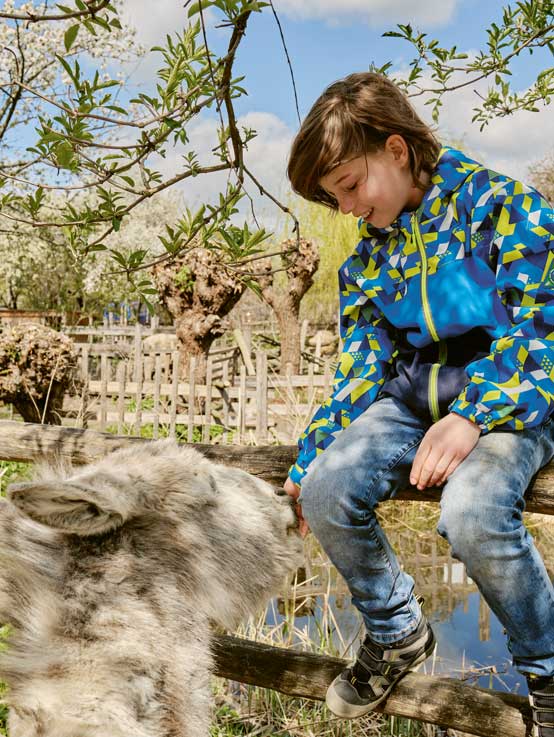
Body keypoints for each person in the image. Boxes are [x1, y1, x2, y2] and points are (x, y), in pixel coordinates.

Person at [284, 71, 554, 734]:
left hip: (513, 395)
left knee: (472, 510)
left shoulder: (501, 207)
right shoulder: (369, 261)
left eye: (349, 186)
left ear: (397, 151)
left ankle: (548, 666)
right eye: (332, 198)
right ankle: (396, 628)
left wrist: (473, 414)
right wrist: (309, 458)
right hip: (416, 401)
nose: (346, 208)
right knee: (325, 488)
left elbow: (541, 326)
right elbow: (360, 369)